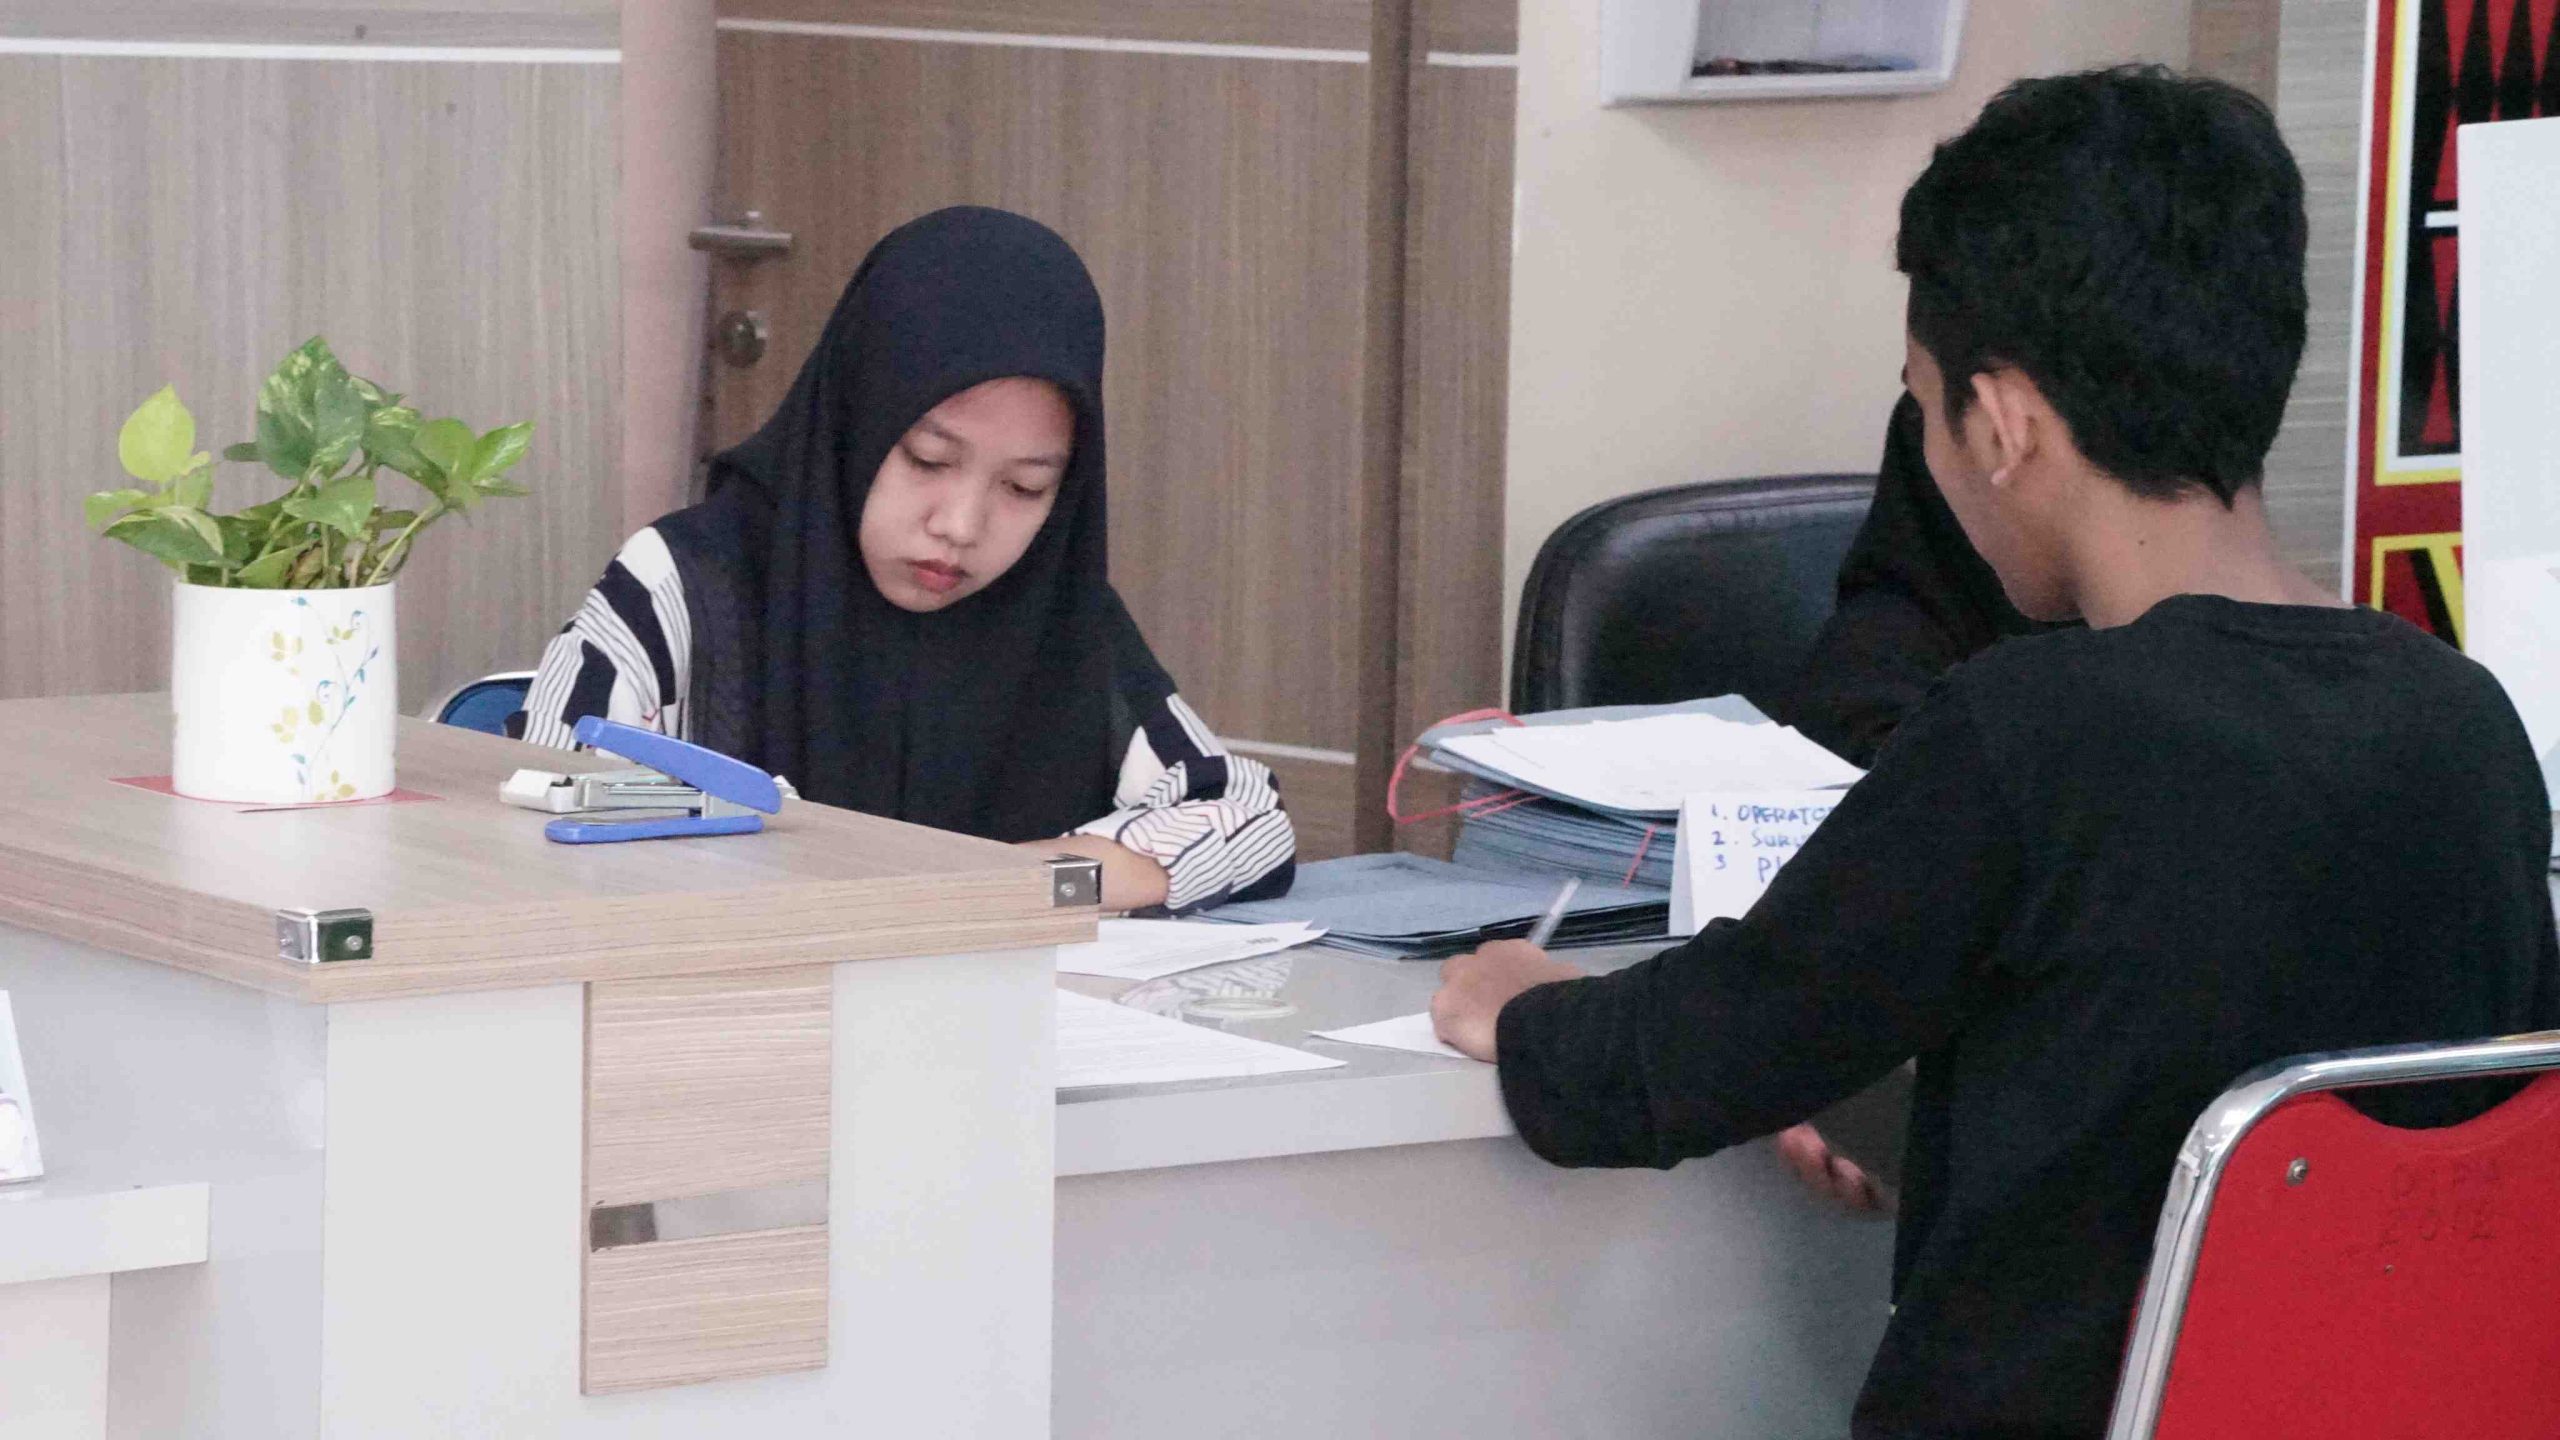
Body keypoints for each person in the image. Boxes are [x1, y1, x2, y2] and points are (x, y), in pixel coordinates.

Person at [1430, 67, 2558, 1439]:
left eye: (1925, 407)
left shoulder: (2027, 731)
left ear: (2006, 422)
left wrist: (1521, 1005)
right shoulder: (2463, 723)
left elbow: (1678, 1062)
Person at [515, 207, 1295, 914]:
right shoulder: (688, 580)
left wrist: (1011, 884)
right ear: (855, 420)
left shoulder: (1056, 614)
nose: (960, 526)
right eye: (928, 459)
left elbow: (1247, 816)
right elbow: (540, 793)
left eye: (1025, 487)